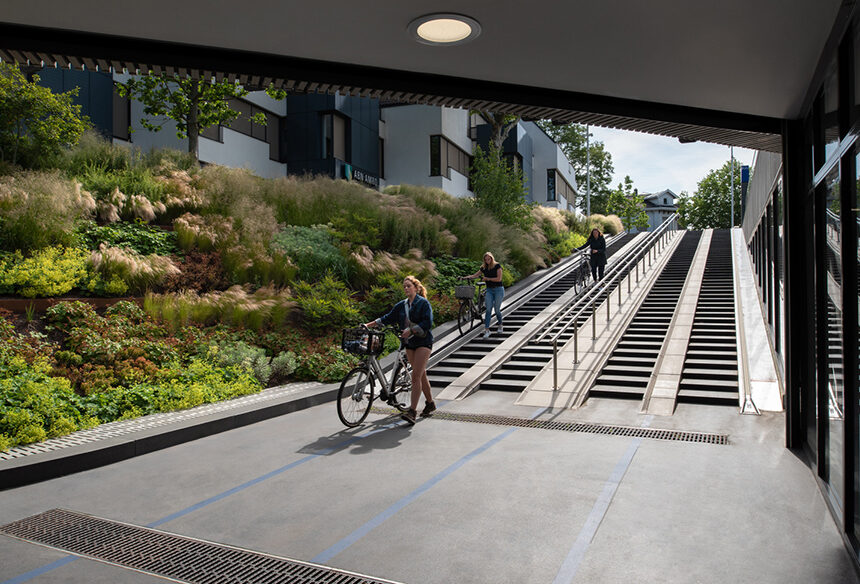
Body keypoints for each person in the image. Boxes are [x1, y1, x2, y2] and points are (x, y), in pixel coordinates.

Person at [365, 275, 434, 425]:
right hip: (409, 343)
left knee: (415, 376)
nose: (406, 288)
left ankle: (412, 412)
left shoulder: (423, 303)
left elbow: (428, 322)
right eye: (404, 286)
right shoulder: (401, 305)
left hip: (423, 342)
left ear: (416, 288)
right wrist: (368, 325)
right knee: (421, 374)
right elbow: (387, 318)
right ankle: (430, 403)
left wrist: (411, 330)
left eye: (409, 286)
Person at [463, 252, 504, 339]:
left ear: (492, 259)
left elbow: (499, 279)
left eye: (489, 259)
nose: (487, 261)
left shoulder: (497, 266)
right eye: (486, 259)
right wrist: (466, 277)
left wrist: (487, 279)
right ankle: (487, 330)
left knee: (497, 310)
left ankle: (500, 325)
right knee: (488, 310)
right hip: (489, 290)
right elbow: (475, 275)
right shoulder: (483, 267)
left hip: (498, 290)